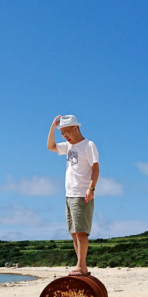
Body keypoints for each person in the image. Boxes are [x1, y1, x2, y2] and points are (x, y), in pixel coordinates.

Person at [47, 115, 99, 276]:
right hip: (69, 195)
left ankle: (81, 265)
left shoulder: (88, 145)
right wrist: (52, 127)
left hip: (81, 193)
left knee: (81, 231)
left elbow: (95, 168)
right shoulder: (68, 147)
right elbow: (51, 146)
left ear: (76, 128)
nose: (65, 136)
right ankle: (80, 265)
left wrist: (91, 188)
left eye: (66, 132)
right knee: (74, 232)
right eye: (62, 134)